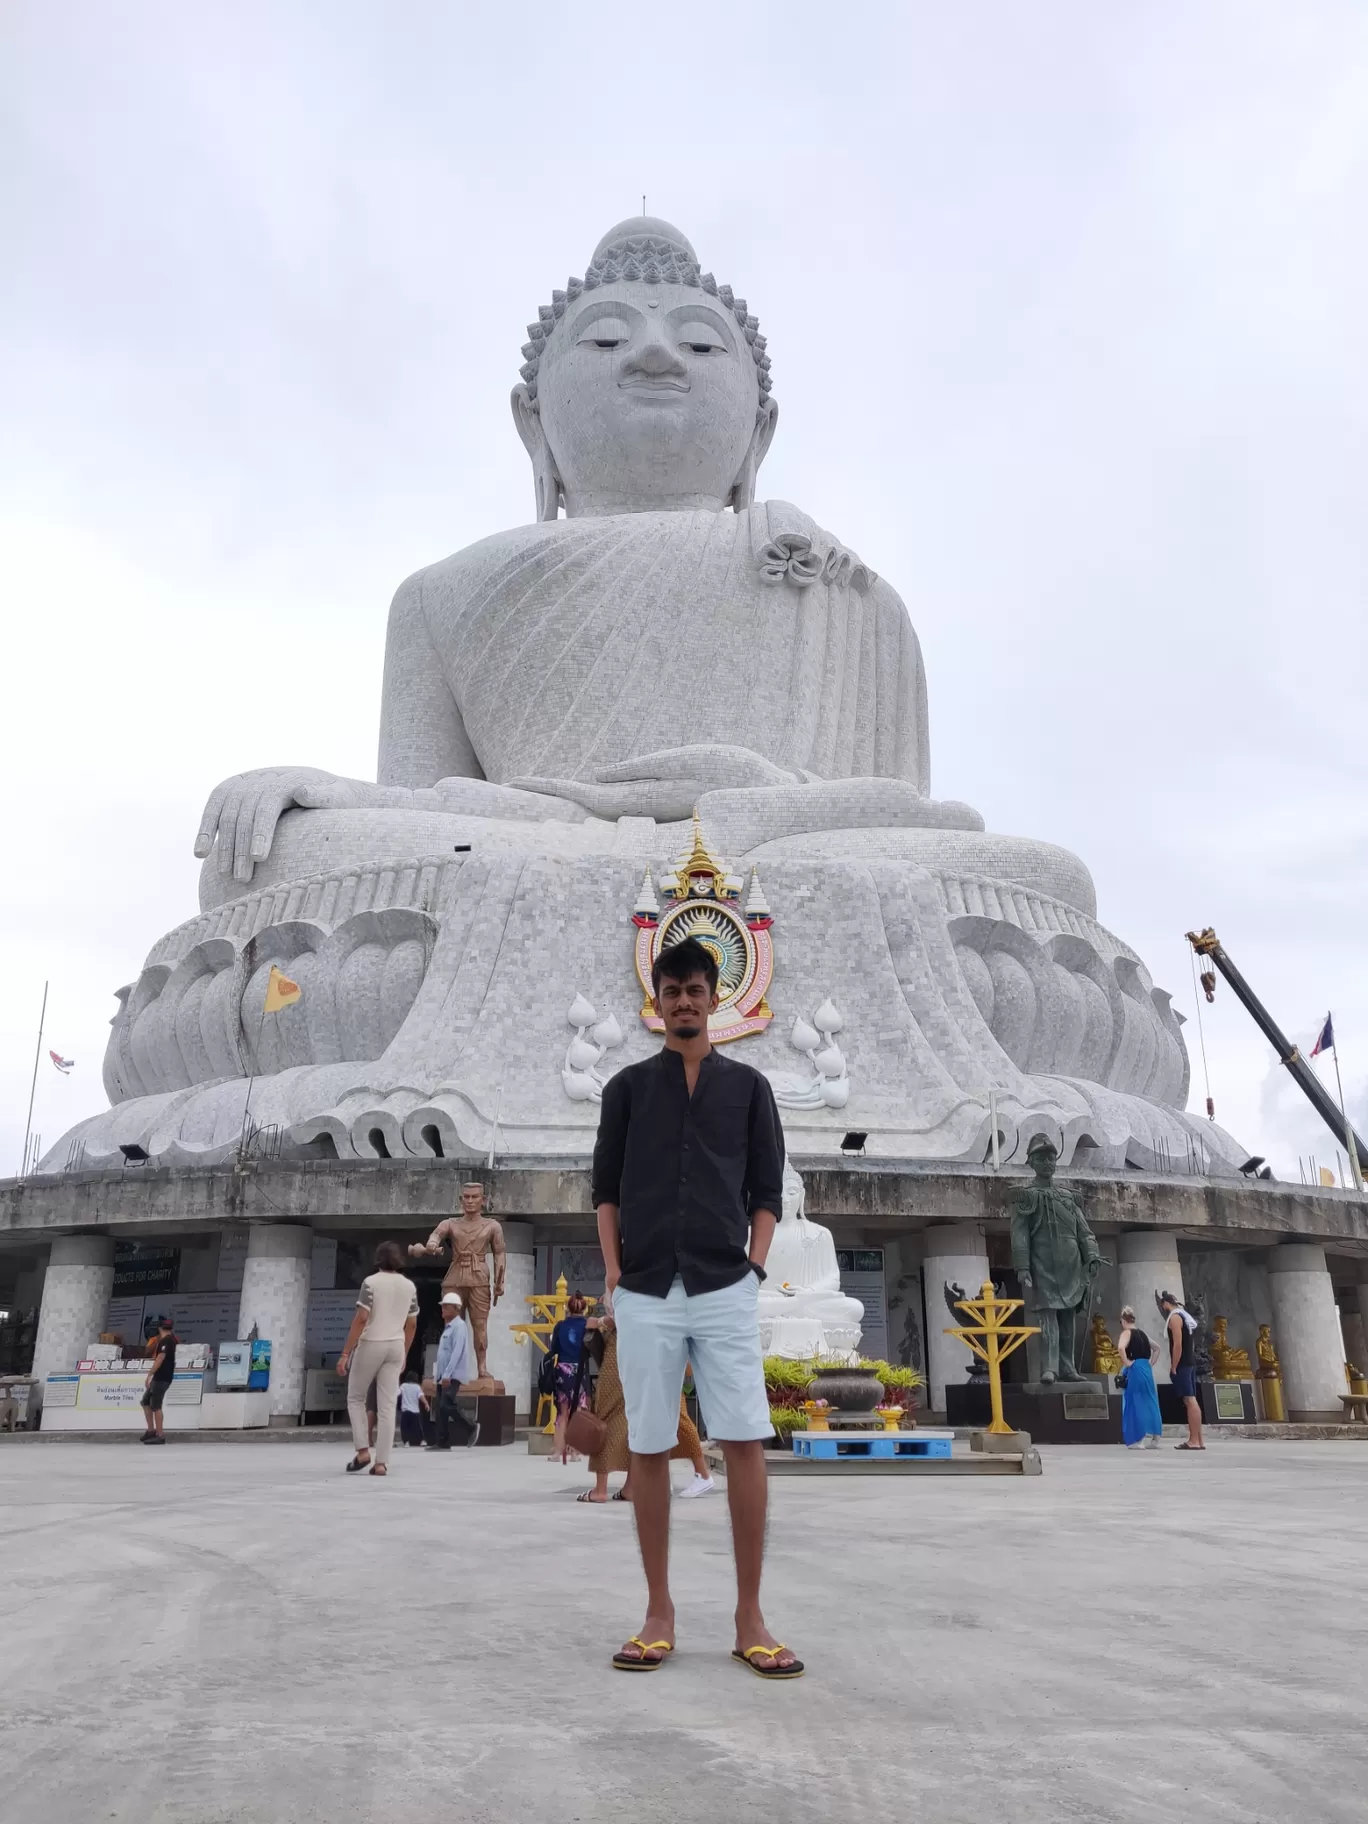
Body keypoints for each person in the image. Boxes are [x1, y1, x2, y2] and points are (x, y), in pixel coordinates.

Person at [593, 936, 801, 1679]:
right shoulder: (625, 1090)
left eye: (696, 989)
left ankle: (750, 1618)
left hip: (724, 1285)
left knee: (743, 1439)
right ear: (658, 1000)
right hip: (646, 1288)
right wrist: (615, 1275)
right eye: (672, 989)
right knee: (647, 1446)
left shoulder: (749, 1090)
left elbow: (766, 1194)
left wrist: (753, 1268)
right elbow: (607, 1193)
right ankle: (658, 1611)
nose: (685, 1000)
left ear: (718, 998)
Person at [579, 1317, 714, 1504]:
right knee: (652, 1411)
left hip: (627, 1341)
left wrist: (601, 1321)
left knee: (608, 1411)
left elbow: (625, 1304)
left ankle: (601, 1489)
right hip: (652, 1339)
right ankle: (634, 1485)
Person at [337, 1241, 419, 1476]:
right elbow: (411, 1324)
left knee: (355, 1397)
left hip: (372, 1343)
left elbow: (362, 1318)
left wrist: (345, 1353)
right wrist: (404, 1350)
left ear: (378, 1259)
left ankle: (363, 1450)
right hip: (395, 1346)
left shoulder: (371, 1283)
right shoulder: (409, 1286)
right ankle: (381, 1463)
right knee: (387, 1405)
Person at [429, 1291, 479, 1449]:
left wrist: (447, 1374)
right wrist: (438, 1375)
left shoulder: (459, 1326)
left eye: (446, 1307)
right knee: (440, 1409)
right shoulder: (449, 1327)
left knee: (446, 1404)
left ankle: (470, 1427)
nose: (442, 1309)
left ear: (457, 1309)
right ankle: (442, 1441)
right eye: (442, 1307)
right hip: (443, 1375)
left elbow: (457, 1352)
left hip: (451, 1375)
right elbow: (444, 1353)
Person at [1160, 1290, 1204, 1450]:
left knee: (1189, 1400)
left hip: (1183, 1364)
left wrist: (1173, 1366)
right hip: (1190, 1362)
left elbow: (1177, 1344)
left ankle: (1193, 1440)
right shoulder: (1185, 1317)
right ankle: (1198, 1440)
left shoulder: (1175, 1318)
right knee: (1192, 1400)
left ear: (1165, 1304)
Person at [549, 1293, 590, 1462]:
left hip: (563, 1371)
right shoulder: (588, 1325)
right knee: (578, 1413)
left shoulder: (560, 1326)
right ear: (584, 1309)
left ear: (567, 1308)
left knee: (562, 1413)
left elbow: (554, 1349)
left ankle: (558, 1452)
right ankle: (574, 1452)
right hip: (580, 1370)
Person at [1116, 1305, 1163, 1449]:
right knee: (1150, 1400)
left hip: (1135, 1368)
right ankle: (1156, 1437)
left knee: (1135, 1402)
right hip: (1146, 1369)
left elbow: (1120, 1348)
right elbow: (1157, 1348)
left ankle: (1139, 1439)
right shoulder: (1143, 1334)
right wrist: (1150, 1364)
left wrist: (1127, 1363)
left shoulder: (1127, 1333)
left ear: (1123, 1321)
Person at [140, 1315, 177, 1444]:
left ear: (159, 1328)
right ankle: (151, 1430)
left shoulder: (166, 1341)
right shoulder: (169, 1339)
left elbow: (160, 1358)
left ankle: (160, 1435)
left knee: (156, 1405)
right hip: (161, 1377)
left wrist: (150, 1374)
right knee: (146, 1402)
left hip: (161, 1377)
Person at [397, 1371, 429, 1446]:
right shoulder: (417, 1387)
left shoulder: (403, 1386)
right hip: (415, 1412)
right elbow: (421, 1396)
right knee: (418, 1427)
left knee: (404, 1428)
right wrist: (426, 1403)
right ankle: (422, 1440)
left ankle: (406, 1442)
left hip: (405, 1411)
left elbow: (397, 1393)